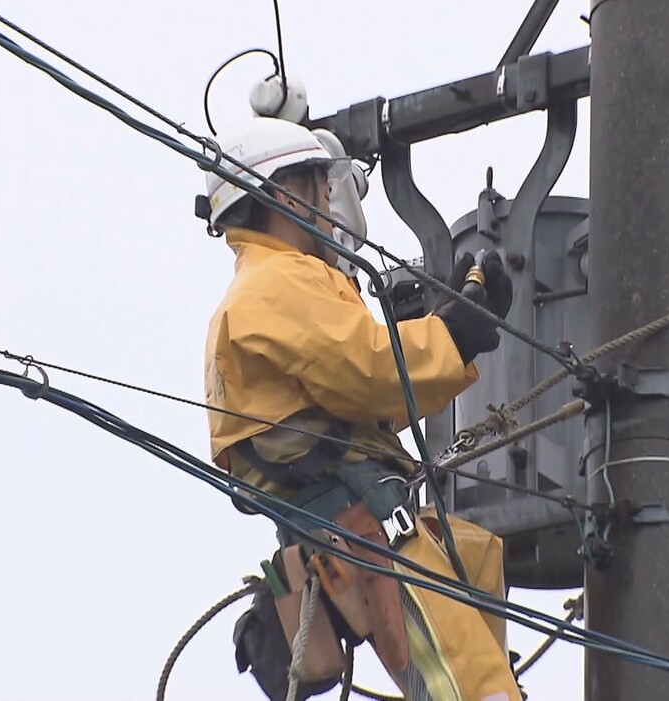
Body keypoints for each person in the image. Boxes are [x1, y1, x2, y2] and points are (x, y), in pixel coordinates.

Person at [201, 116, 522, 701]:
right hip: (362, 523)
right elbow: (373, 373)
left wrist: (455, 331)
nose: (328, 203)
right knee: (471, 686)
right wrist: (454, 332)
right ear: (280, 193)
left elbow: (369, 403)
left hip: (361, 508)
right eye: (320, 186)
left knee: (475, 555)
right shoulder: (274, 284)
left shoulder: (285, 282)